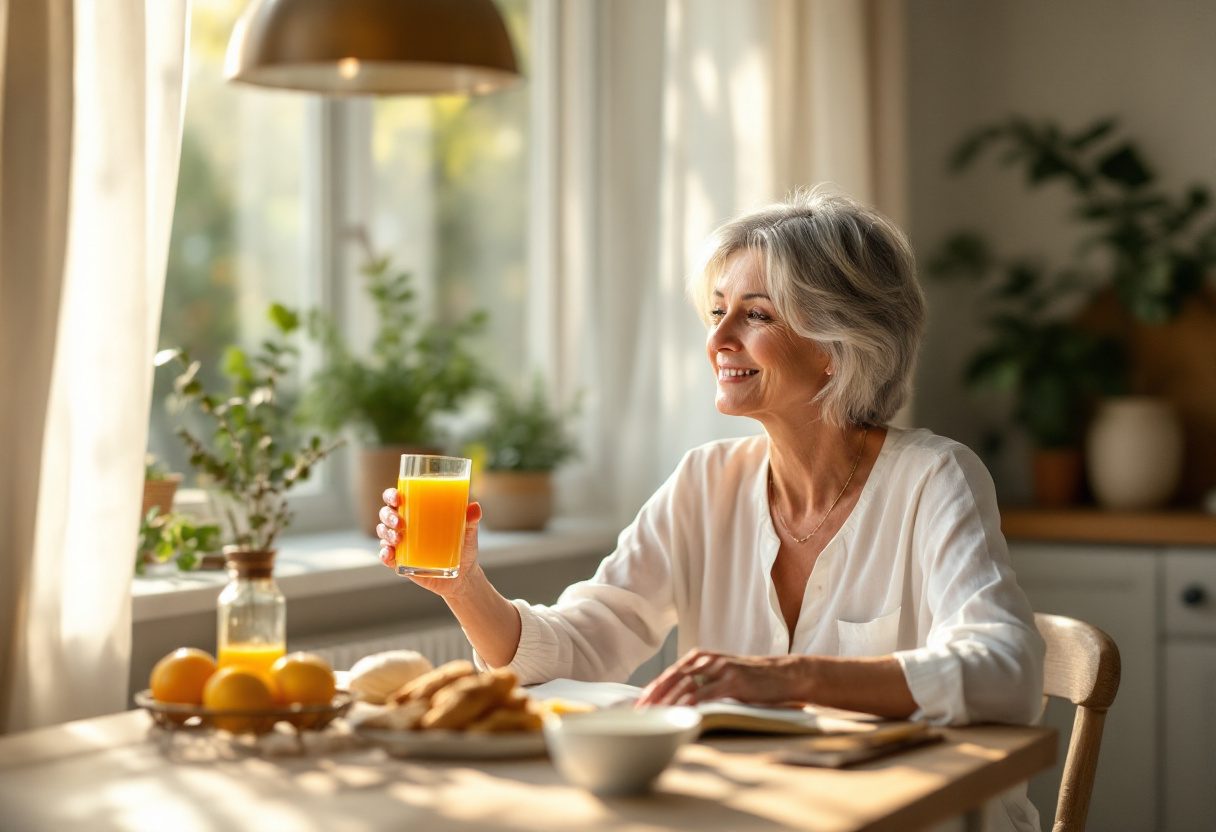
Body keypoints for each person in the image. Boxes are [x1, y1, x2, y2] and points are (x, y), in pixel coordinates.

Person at [377, 188, 1044, 831]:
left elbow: (1007, 672)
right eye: (717, 310)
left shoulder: (934, 478)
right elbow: (579, 651)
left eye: (755, 314)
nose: (718, 338)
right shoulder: (705, 481)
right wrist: (464, 587)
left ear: (838, 346)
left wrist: (784, 677)